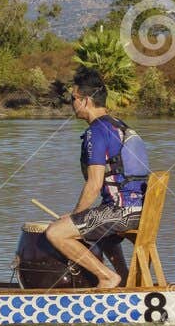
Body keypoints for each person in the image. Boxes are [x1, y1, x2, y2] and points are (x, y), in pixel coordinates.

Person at [44, 69, 151, 290]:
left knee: (56, 232)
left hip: (120, 212)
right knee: (103, 236)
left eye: (72, 99)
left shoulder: (97, 131)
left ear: (85, 100)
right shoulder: (119, 125)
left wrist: (74, 216)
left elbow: (93, 185)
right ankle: (123, 279)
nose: (71, 104)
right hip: (142, 211)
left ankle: (107, 277)